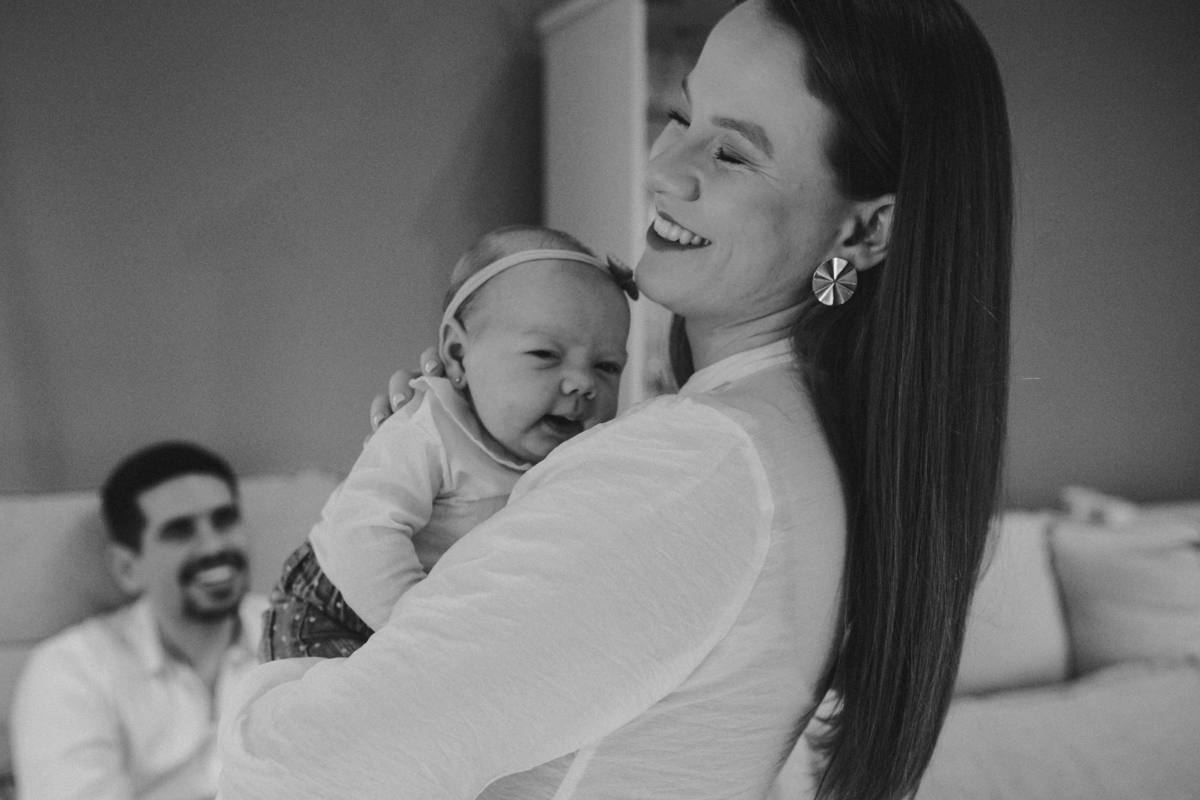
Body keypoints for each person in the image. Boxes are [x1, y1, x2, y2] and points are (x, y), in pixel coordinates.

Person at [219, 0, 1011, 798]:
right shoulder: (797, 444)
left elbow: (286, 775)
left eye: (732, 153)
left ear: (864, 233)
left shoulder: (695, 466)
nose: (661, 169)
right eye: (682, 115)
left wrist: (299, 674)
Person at [260, 225, 632, 660]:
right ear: (456, 355)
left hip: (440, 621)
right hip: (331, 602)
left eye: (607, 366)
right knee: (333, 701)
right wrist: (422, 635)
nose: (583, 382)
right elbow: (360, 532)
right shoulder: (430, 429)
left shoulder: (586, 461)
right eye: (545, 355)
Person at [10, 441, 267, 800]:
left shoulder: (302, 636)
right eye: (180, 531)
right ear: (128, 569)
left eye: (224, 520)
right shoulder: (71, 671)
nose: (213, 547)